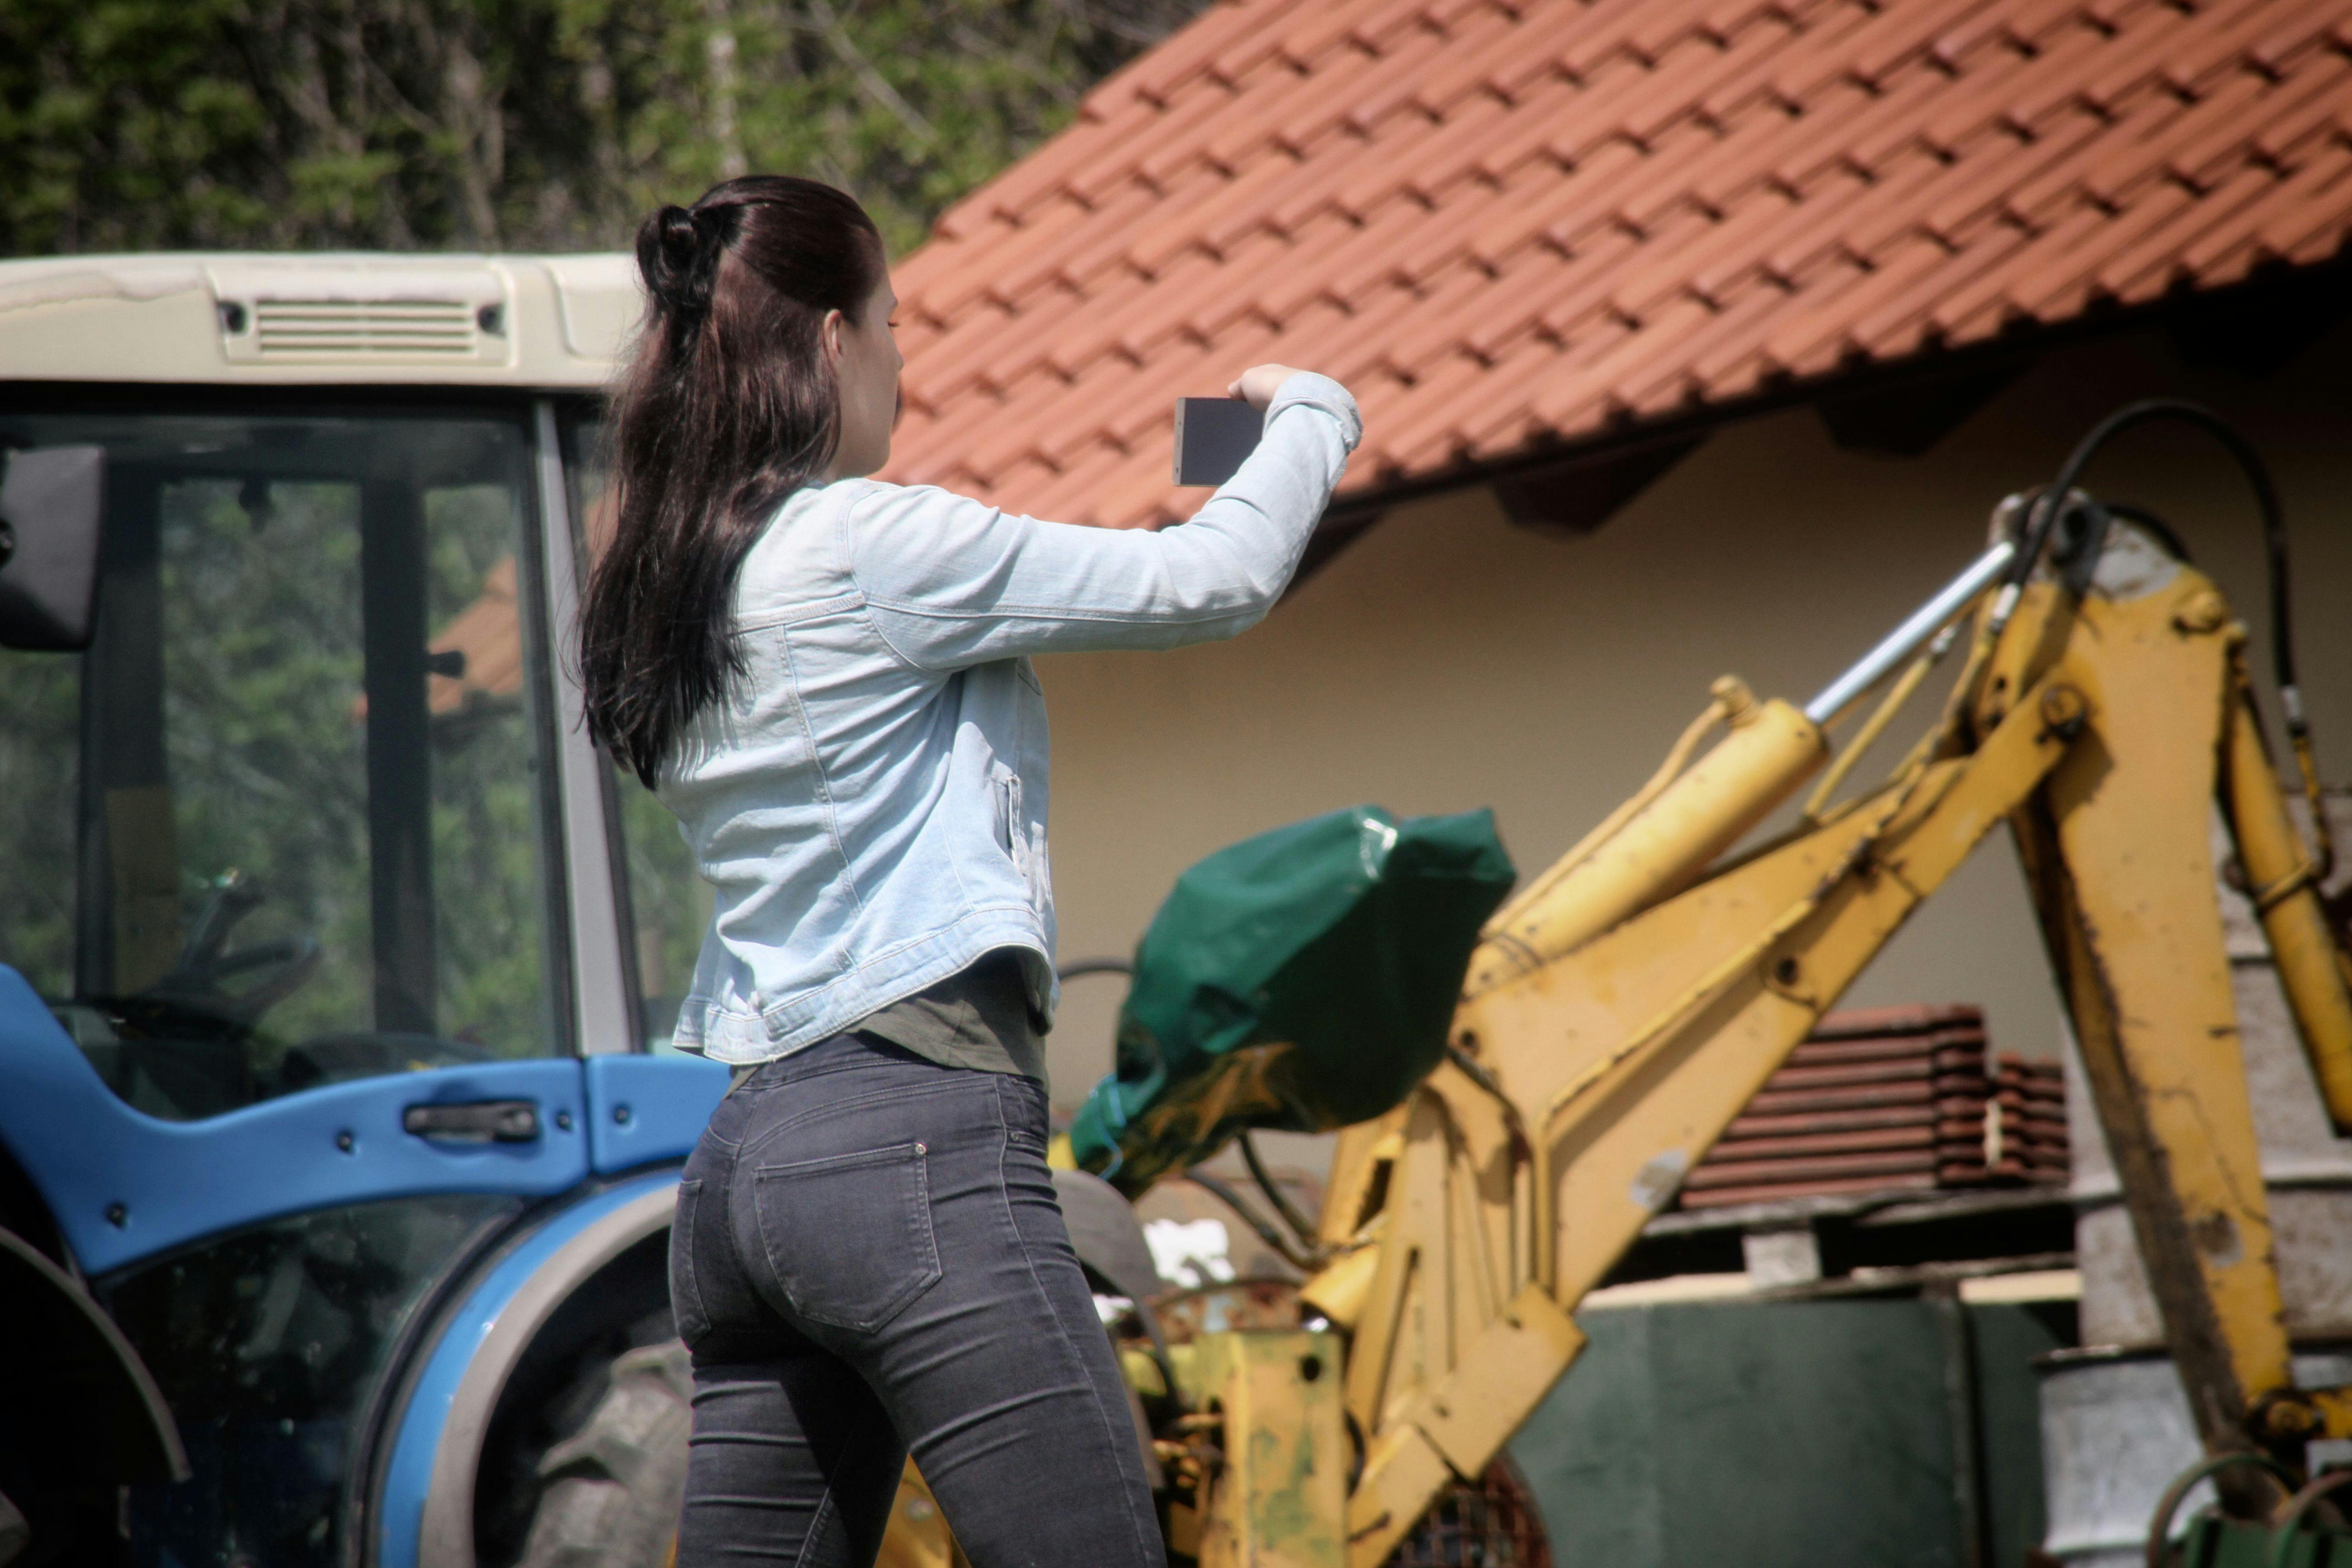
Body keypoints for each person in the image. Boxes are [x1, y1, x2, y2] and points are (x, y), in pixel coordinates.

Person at [578, 173, 1360, 1568]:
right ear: (829, 345)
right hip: (913, 1148)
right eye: (893, 326)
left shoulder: (669, 577)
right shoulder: (868, 540)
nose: (905, 361)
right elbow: (1216, 580)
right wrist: (1311, 415)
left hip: (744, 1178)